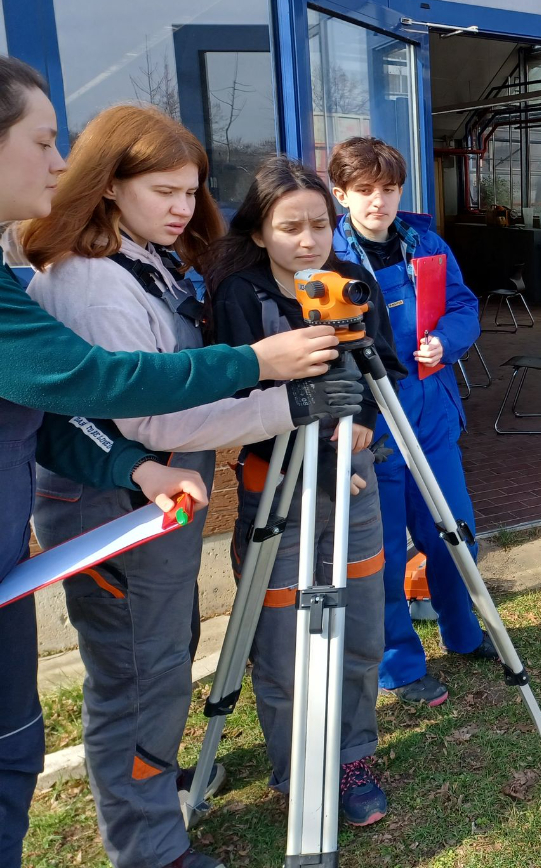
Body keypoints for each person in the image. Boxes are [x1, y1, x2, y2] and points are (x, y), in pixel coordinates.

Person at [0, 58, 338, 868]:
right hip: (114, 516)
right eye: (165, 192)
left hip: (153, 494)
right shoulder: (89, 282)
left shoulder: (147, 262)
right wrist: (271, 377)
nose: (185, 209)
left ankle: (149, 785)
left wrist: (278, 393)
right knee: (139, 675)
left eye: (192, 192)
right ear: (111, 185)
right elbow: (141, 400)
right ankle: (151, 844)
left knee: (158, 658)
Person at [205, 156, 404, 830]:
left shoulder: (352, 280)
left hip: (358, 485)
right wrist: (318, 448)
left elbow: (384, 369)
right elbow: (238, 400)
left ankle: (351, 756)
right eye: (291, 227)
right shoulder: (241, 295)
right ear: (260, 232)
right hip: (282, 489)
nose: (309, 239)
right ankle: (299, 766)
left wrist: (364, 428)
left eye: (319, 224)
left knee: (361, 626)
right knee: (286, 639)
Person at [329, 135, 494, 706]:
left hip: (431, 415)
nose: (379, 201)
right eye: (365, 190)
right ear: (342, 194)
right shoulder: (329, 263)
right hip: (373, 426)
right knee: (385, 556)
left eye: (389, 188)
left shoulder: (424, 242)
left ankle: (464, 634)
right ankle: (398, 665)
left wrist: (445, 342)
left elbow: (464, 306)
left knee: (454, 534)